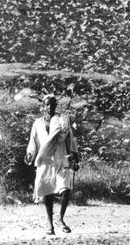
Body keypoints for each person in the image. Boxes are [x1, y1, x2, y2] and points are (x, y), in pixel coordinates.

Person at [24, 95, 79, 235]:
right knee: (47, 193)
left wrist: (75, 158)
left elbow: (70, 140)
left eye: (53, 104)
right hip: (45, 160)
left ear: (56, 105)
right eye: (48, 104)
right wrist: (30, 154)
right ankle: (50, 226)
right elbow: (33, 143)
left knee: (65, 189)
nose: (50, 107)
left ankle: (60, 219)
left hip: (61, 157)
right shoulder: (37, 124)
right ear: (43, 106)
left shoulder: (62, 121)